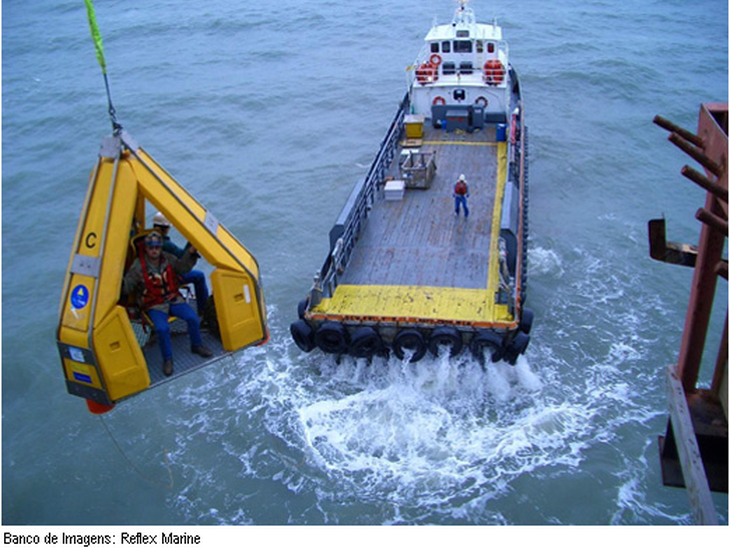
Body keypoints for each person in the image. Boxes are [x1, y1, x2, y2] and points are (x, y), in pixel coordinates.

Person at [123, 231, 212, 377]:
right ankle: (167, 359)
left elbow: (182, 268)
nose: (154, 250)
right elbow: (127, 287)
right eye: (151, 248)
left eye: (157, 247)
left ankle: (196, 345)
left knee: (192, 318)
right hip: (154, 304)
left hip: (172, 298)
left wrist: (190, 252)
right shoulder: (138, 266)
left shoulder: (167, 258)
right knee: (162, 329)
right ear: (146, 248)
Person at [152, 212, 210, 316]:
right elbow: (182, 256)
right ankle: (204, 311)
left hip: (155, 276)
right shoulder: (166, 244)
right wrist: (192, 241)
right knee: (199, 276)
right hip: (168, 279)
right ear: (166, 228)